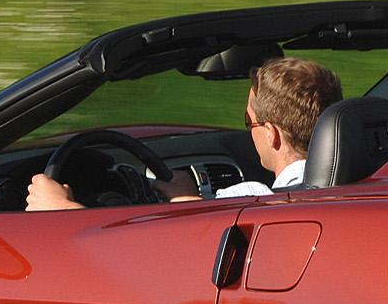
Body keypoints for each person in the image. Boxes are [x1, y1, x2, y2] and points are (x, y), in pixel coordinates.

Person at [26, 56, 343, 210]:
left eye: (249, 122)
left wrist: (63, 210)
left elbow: (152, 255)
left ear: (272, 134)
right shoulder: (363, 179)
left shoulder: (253, 203)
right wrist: (184, 198)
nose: (248, 131)